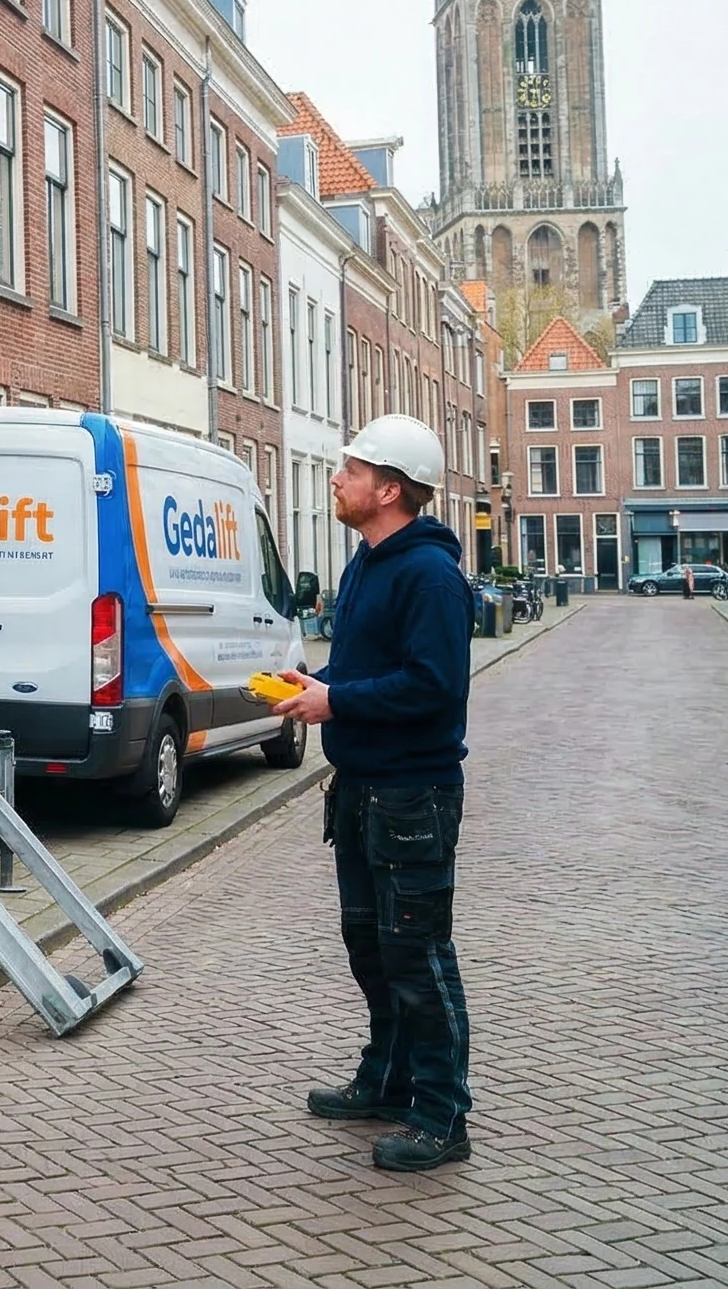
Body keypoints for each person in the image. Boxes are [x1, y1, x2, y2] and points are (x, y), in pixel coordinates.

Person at [270, 414, 473, 1173]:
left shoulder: (427, 576)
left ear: (388, 490)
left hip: (411, 796)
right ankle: (387, 1080)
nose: (336, 479)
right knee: (371, 948)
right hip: (360, 790)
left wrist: (338, 703)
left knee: (418, 954)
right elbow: (372, 675)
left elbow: (436, 686)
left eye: (350, 471)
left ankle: (443, 1116)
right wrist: (320, 688)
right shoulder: (366, 562)